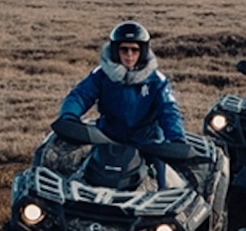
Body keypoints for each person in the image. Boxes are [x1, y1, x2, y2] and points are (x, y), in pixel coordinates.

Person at [57, 19, 187, 148]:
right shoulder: (102, 75)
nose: (129, 55)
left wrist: (177, 140)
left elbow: (169, 110)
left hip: (147, 145)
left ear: (142, 52)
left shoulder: (157, 81)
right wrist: (69, 117)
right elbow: (80, 95)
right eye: (124, 49)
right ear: (115, 51)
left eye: (134, 50)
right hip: (107, 141)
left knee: (160, 169)